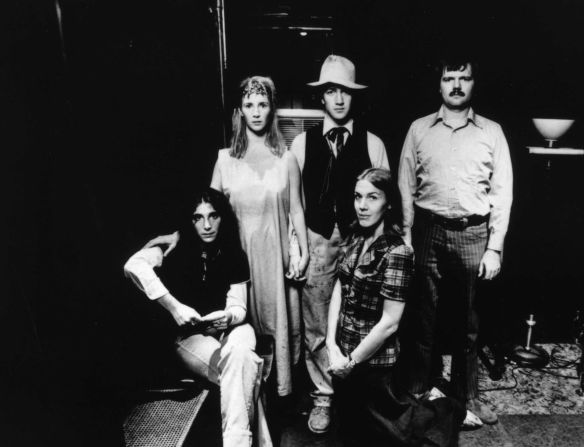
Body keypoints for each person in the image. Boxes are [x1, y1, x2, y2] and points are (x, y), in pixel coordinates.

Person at [145, 76, 309, 399]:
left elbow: (297, 211)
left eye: (263, 104)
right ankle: (249, 398)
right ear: (240, 111)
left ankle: (278, 398)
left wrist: (303, 253)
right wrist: (176, 236)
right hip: (236, 261)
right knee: (240, 333)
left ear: (271, 109)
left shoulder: (287, 159)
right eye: (249, 105)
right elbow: (207, 208)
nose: (257, 112)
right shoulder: (225, 159)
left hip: (274, 259)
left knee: (277, 330)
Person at [398, 55, 513, 425]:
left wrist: (495, 246)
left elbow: (503, 191)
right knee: (423, 317)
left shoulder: (492, 132)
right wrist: (405, 234)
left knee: (468, 321)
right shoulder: (419, 129)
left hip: (472, 232)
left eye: (464, 77)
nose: (457, 85)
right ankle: (418, 390)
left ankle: (468, 397)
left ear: (473, 83)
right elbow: (404, 185)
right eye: (450, 78)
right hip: (427, 230)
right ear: (439, 85)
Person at [326, 168, 468, 447]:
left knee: (399, 437)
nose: (362, 205)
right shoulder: (355, 238)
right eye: (358, 197)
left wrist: (352, 361)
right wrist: (331, 345)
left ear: (388, 203)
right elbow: (339, 290)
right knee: (347, 435)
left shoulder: (398, 252)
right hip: (343, 359)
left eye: (372, 197)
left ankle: (447, 409)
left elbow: (390, 322)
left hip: (373, 367)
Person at [290, 54, 390, 434]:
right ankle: (323, 395)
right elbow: (293, 203)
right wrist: (296, 246)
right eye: (331, 90)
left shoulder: (374, 143)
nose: (339, 99)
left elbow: (384, 200)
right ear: (321, 97)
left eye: (345, 91)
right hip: (317, 241)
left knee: (360, 317)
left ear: (354, 97)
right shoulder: (302, 143)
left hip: (359, 241)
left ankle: (357, 394)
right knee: (316, 321)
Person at [123, 188, 268, 447]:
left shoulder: (234, 253)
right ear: (188, 221)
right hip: (191, 337)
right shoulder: (173, 248)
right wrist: (175, 308)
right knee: (245, 374)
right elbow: (133, 266)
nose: (207, 225)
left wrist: (228, 316)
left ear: (223, 218)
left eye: (213, 216)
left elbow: (239, 307)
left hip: (230, 329)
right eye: (198, 218)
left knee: (243, 359)